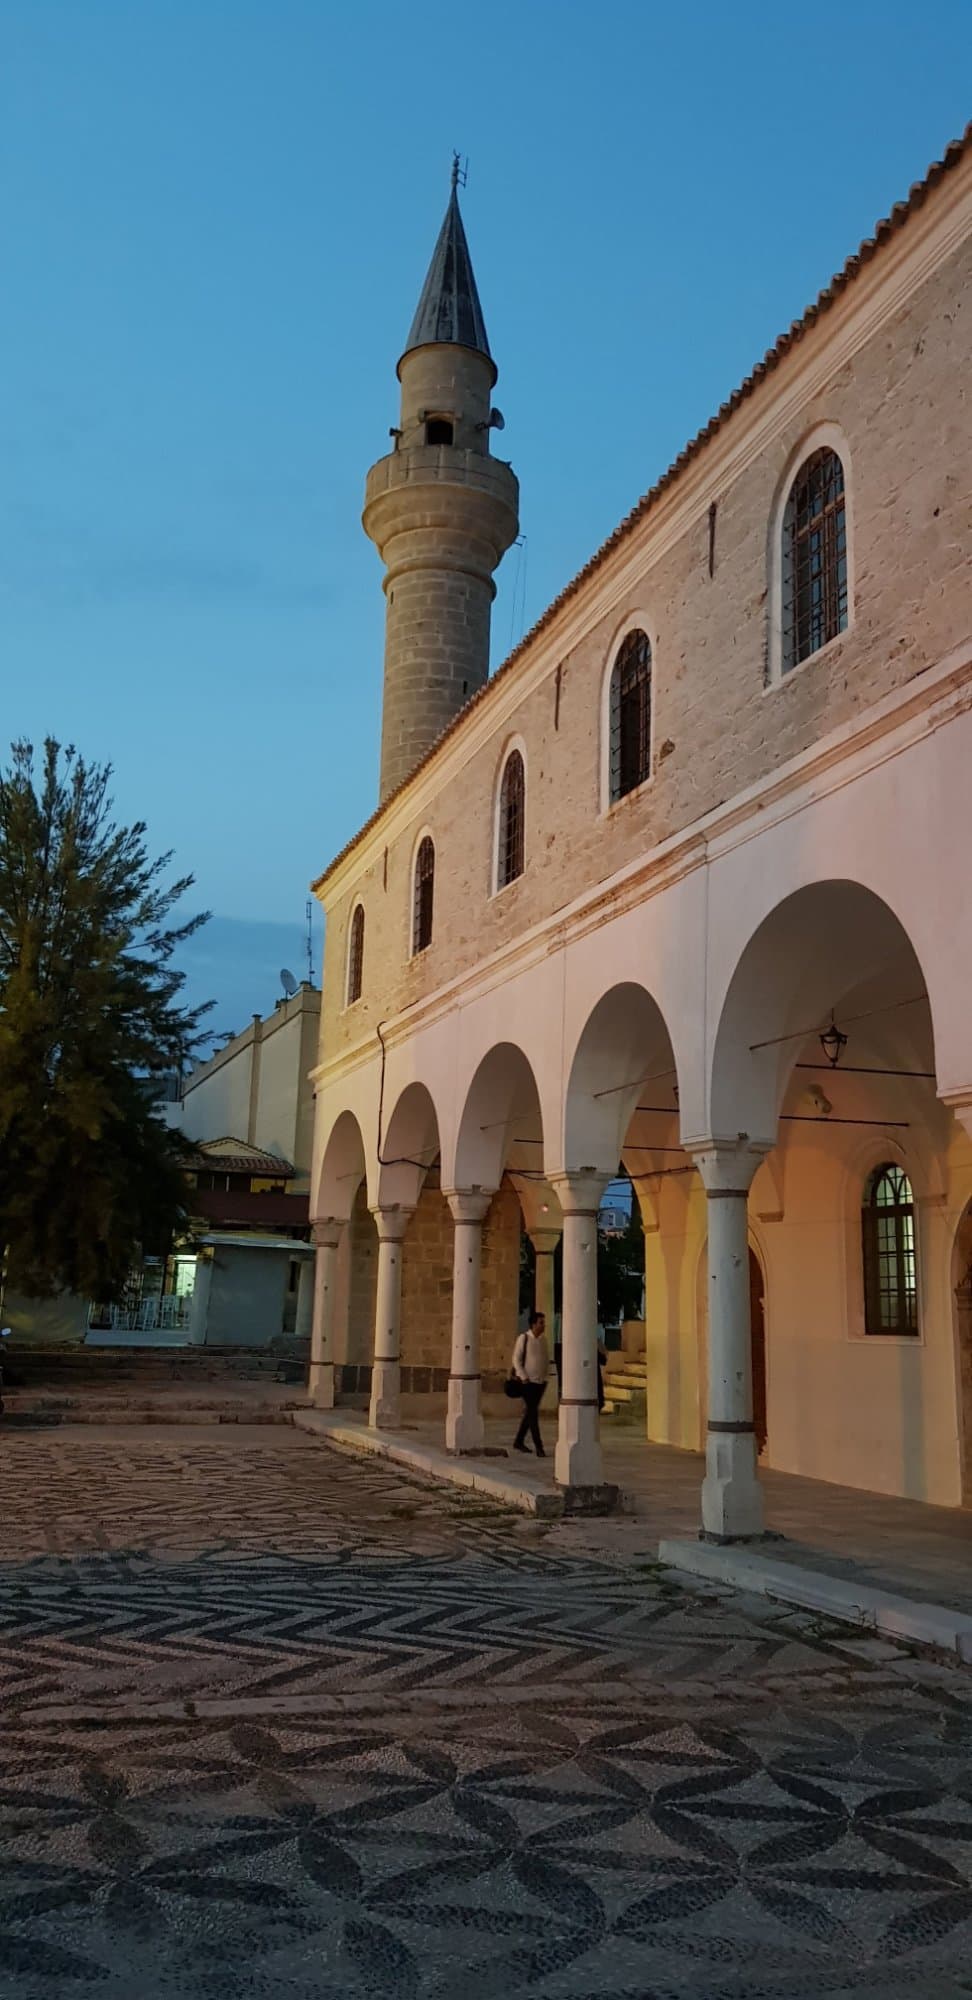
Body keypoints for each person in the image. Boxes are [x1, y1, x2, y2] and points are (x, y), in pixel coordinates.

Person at [512, 1310, 548, 1456]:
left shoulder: (543, 1340)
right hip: (528, 1383)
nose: (543, 1325)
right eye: (541, 1323)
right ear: (533, 1324)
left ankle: (518, 1441)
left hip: (540, 1382)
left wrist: (546, 1377)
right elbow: (516, 1359)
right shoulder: (524, 1338)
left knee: (530, 1413)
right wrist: (523, 1377)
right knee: (533, 1414)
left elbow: (545, 1359)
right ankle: (539, 1446)